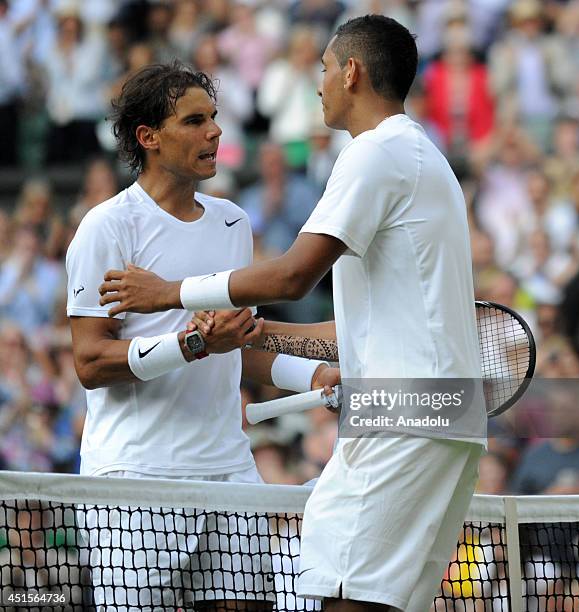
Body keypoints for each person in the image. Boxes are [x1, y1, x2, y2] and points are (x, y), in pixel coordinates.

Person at [98, 16, 487, 612]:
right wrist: (256, 335)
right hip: (443, 409)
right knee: (379, 601)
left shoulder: (375, 153)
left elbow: (292, 274)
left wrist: (169, 292)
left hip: (401, 408)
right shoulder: (422, 156)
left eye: (325, 68)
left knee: (340, 595)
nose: (320, 82)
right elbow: (352, 332)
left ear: (351, 72)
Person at [66, 61, 338, 611]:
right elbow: (91, 362)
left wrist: (310, 373)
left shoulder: (234, 222)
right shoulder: (107, 227)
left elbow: (238, 346)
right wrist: (192, 345)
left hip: (228, 469)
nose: (215, 131)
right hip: (135, 479)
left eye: (214, 117)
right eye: (195, 121)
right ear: (148, 138)